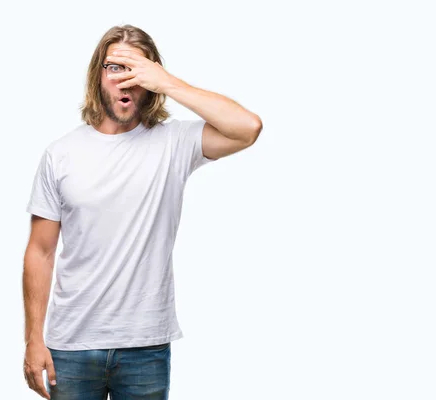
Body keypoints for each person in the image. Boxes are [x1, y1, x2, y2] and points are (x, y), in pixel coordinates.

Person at [22, 24, 262, 399]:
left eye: (137, 69)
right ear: (97, 76)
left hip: (145, 348)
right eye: (115, 67)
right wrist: (32, 340)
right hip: (70, 346)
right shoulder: (61, 154)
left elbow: (247, 128)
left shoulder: (174, 142)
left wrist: (167, 81)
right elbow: (40, 251)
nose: (126, 80)